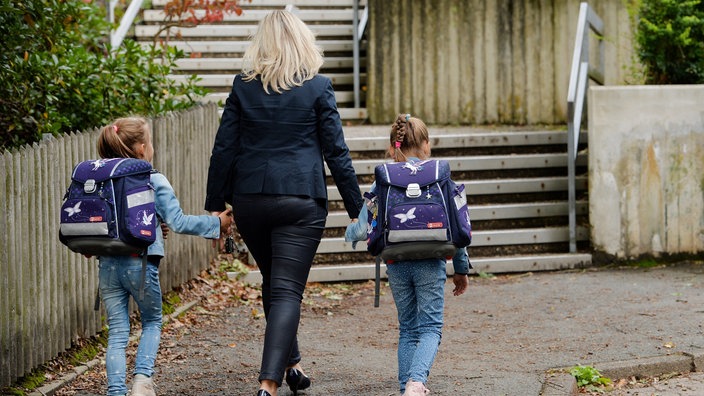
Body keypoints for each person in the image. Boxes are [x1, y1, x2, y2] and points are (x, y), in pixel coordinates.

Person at [203, 10, 364, 396]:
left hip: (252, 200)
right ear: (303, 42)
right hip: (301, 200)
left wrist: (215, 205)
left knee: (276, 282)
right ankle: (268, 384)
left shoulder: (244, 87)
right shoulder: (318, 87)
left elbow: (224, 148)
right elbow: (337, 154)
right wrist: (360, 210)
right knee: (287, 289)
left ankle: (292, 366)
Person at [96, 117, 233, 396]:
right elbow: (179, 221)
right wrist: (217, 224)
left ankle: (115, 391)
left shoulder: (100, 179)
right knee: (152, 321)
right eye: (151, 143)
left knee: (118, 331)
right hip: (141, 263)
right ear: (142, 149)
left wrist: (157, 226)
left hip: (107, 263)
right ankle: (142, 382)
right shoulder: (152, 178)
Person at [345, 114, 471, 396]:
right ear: (426, 145)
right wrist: (461, 269)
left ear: (393, 148)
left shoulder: (384, 181)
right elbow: (459, 225)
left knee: (408, 329)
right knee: (430, 327)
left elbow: (364, 225)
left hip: (396, 261)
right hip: (431, 260)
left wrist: (351, 234)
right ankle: (416, 382)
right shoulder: (441, 177)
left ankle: (407, 387)